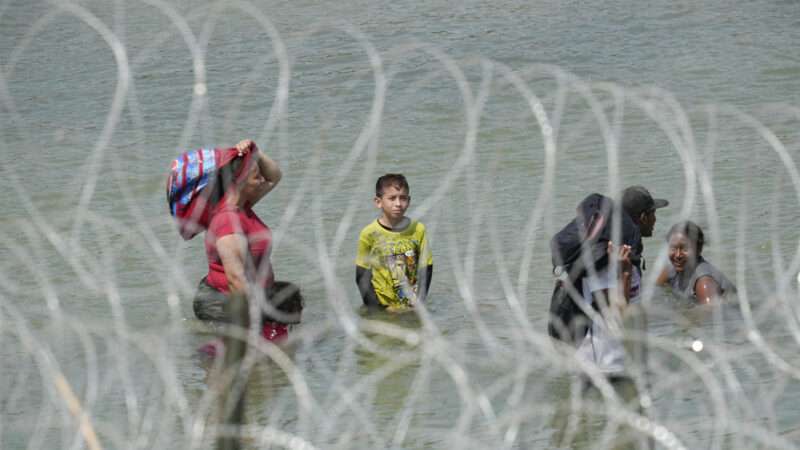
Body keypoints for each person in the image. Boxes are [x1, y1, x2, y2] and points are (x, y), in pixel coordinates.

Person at [167, 139, 302, 350]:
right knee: (251, 353)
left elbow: (275, 176)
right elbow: (237, 281)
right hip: (224, 300)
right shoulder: (228, 222)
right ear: (237, 180)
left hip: (254, 293)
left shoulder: (243, 204)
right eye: (254, 172)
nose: (261, 176)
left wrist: (254, 151)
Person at [355, 174, 432, 311]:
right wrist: (379, 310)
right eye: (392, 198)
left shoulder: (418, 229)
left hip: (412, 307)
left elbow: (426, 268)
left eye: (403, 198)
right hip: (383, 307)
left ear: (409, 200)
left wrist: (419, 303)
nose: (398, 204)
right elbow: (362, 276)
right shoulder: (369, 234)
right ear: (378, 202)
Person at [657, 220, 736, 303]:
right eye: (673, 248)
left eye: (685, 249)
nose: (677, 255)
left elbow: (713, 313)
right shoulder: (671, 270)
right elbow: (653, 290)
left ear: (699, 249)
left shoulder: (704, 283)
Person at [620, 185, 669, 304]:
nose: (655, 219)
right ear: (643, 218)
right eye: (653, 213)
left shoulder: (615, 243)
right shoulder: (626, 255)